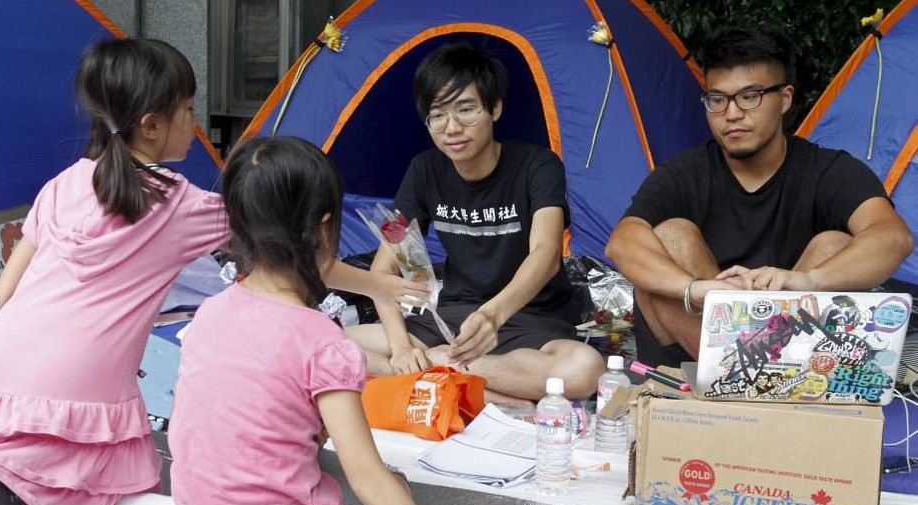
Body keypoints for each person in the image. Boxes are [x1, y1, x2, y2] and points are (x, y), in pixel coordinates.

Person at [0, 38, 423, 505]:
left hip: (0, 361)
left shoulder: (65, 182)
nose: (194, 123)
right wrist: (379, 287)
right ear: (151, 124)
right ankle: (7, 483)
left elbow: (6, 293)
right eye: (189, 111)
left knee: (42, 450)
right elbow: (280, 240)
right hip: (82, 374)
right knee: (107, 486)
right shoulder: (176, 204)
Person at [169, 136, 516, 505]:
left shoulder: (210, 312)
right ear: (326, 227)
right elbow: (366, 476)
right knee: (391, 480)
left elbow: (195, 427)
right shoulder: (322, 341)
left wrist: (385, 286)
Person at [606, 26, 913, 368]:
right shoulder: (683, 173)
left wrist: (806, 281)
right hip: (695, 356)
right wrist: (696, 288)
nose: (732, 113)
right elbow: (622, 242)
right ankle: (731, 371)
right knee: (669, 237)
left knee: (835, 244)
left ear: (784, 98)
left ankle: (758, 376)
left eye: (749, 96)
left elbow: (892, 238)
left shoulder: (829, 170)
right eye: (717, 100)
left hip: (794, 359)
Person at [346, 43, 604, 402]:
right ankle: (484, 388)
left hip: (526, 315)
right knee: (332, 342)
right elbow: (384, 269)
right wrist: (402, 348)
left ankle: (440, 373)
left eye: (466, 110)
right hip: (450, 318)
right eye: (437, 115)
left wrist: (493, 316)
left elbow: (545, 255)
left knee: (584, 369)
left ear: (494, 108)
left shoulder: (538, 166)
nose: (452, 128)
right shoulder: (424, 170)